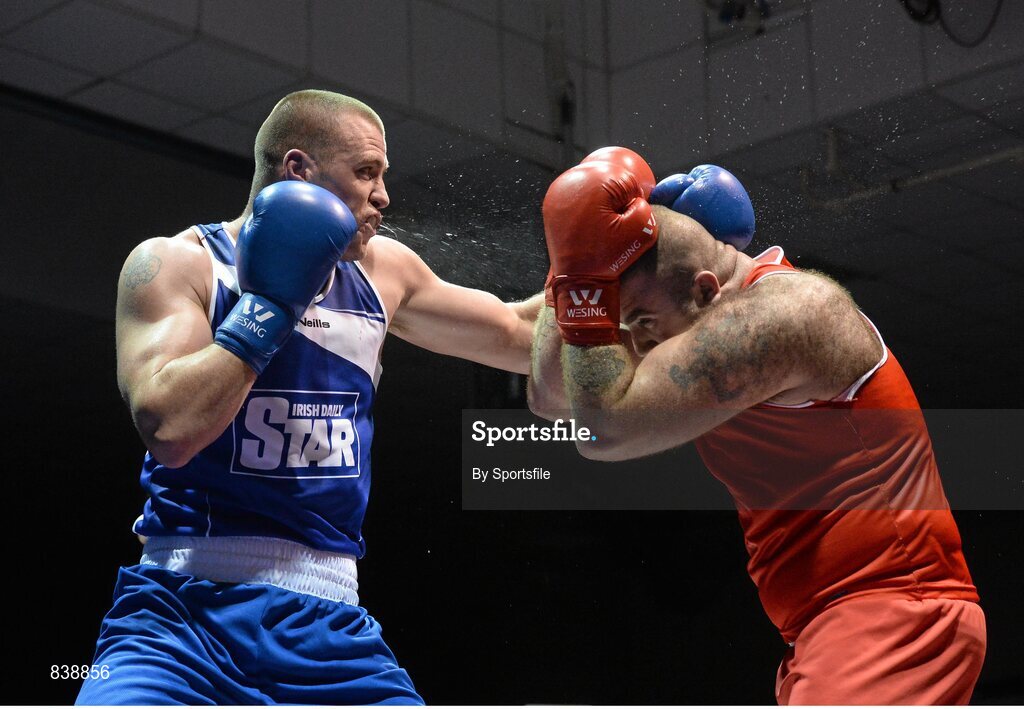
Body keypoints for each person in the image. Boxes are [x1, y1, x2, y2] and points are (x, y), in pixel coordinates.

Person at [77, 90, 542, 705]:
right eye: (366, 172)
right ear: (299, 170)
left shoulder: (382, 271)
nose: (383, 196)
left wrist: (598, 276)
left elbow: (520, 337)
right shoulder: (179, 264)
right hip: (178, 621)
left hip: (332, 630)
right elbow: (169, 429)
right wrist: (271, 306)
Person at [530, 153, 986, 704]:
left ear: (704, 290)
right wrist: (571, 265)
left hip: (893, 610)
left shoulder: (787, 314)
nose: (641, 345)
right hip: (826, 628)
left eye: (644, 324)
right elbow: (552, 390)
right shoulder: (688, 318)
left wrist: (582, 278)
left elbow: (603, 430)